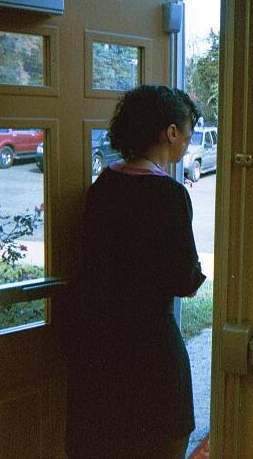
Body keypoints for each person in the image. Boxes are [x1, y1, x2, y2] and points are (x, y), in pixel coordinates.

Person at [63, 85, 206, 459]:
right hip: (151, 350)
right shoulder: (171, 195)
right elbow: (184, 280)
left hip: (98, 346)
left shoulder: (102, 187)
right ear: (170, 132)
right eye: (187, 135)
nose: (188, 146)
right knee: (163, 442)